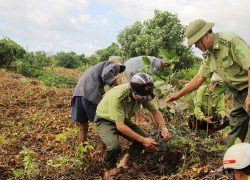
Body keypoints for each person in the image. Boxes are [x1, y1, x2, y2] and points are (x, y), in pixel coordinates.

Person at [166, 19, 250, 146]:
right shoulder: (208, 56)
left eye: (196, 43)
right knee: (236, 124)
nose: (195, 46)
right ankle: (231, 162)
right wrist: (177, 95)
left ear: (205, 35)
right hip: (239, 93)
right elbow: (199, 78)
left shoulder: (230, 41)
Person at [94, 72, 172, 179]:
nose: (142, 100)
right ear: (133, 92)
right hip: (105, 119)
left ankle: (124, 162)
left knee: (145, 140)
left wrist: (164, 128)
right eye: (140, 97)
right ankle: (107, 170)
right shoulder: (118, 96)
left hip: (122, 118)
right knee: (114, 147)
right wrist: (142, 139)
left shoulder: (142, 94)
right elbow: (120, 126)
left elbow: (155, 111)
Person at [71, 56, 126, 143]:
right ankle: (105, 150)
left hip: (78, 94)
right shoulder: (114, 65)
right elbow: (106, 75)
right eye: (117, 72)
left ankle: (82, 154)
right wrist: (120, 88)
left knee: (83, 126)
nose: (116, 73)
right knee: (103, 123)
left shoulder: (96, 67)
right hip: (90, 94)